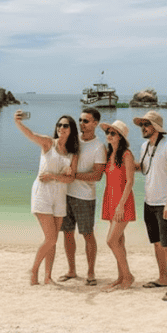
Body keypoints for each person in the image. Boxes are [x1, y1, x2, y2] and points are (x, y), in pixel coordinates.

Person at [15, 111, 79, 286]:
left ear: (71, 130)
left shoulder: (73, 153)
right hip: (42, 193)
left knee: (53, 240)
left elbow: (71, 178)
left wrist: (53, 176)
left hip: (59, 197)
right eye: (59, 125)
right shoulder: (48, 143)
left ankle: (47, 277)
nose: (61, 128)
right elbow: (31, 135)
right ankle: (34, 270)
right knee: (51, 239)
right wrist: (18, 122)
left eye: (65, 126)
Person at [133, 110, 167, 301]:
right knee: (157, 243)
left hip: (165, 203)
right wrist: (122, 161)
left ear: (156, 127)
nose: (143, 128)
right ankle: (163, 278)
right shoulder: (145, 146)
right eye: (141, 124)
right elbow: (144, 168)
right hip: (149, 202)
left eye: (146, 124)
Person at [56, 107, 106, 286]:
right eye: (80, 120)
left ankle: (91, 273)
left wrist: (73, 176)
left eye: (86, 121)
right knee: (67, 233)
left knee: (87, 234)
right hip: (65, 193)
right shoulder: (72, 139)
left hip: (85, 197)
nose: (82, 124)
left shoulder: (99, 147)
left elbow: (97, 176)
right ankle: (71, 270)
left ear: (95, 123)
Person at [97, 119, 136, 291]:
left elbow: (130, 182)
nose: (109, 135)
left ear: (120, 137)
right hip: (110, 199)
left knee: (111, 240)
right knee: (119, 241)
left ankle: (128, 276)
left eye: (113, 133)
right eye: (107, 132)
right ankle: (121, 277)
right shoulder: (108, 155)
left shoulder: (127, 155)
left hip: (122, 202)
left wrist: (121, 205)